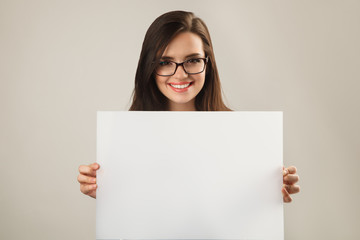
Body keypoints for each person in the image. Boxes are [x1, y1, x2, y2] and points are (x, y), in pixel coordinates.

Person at [77, 10, 300, 202]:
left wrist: (270, 190)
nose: (180, 74)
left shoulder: (242, 134)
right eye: (164, 62)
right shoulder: (126, 137)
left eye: (193, 60)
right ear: (149, 67)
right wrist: (105, 191)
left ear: (208, 64)